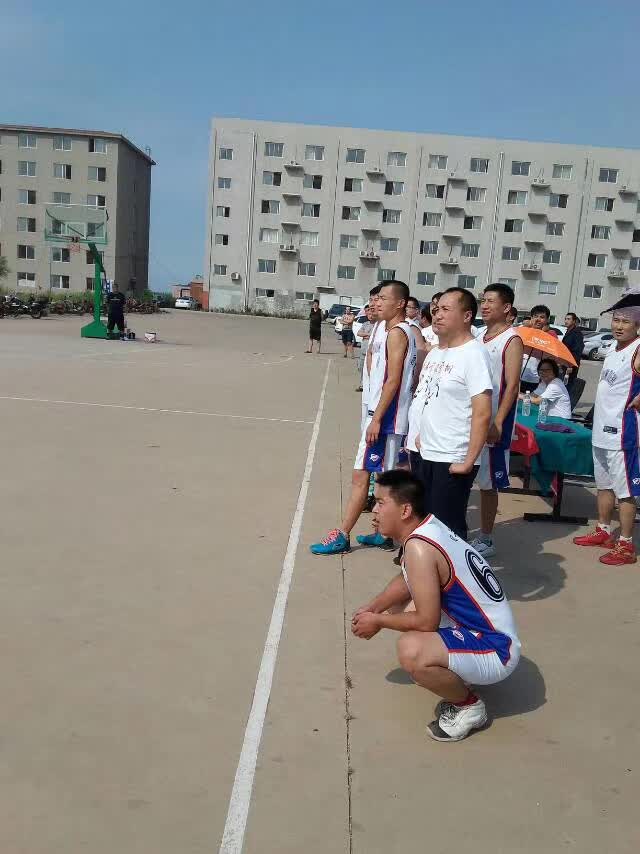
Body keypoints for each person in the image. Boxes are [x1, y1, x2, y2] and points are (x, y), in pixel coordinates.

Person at [351, 470, 520, 742]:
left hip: (497, 649)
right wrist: (374, 607)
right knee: (400, 608)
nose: (374, 510)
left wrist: (378, 622)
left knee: (412, 651)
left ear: (405, 510)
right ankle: (455, 669)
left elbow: (426, 621)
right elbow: (409, 579)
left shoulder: (419, 547)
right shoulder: (427, 529)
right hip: (485, 631)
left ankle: (469, 707)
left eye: (381, 503)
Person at [311, 280, 417, 555]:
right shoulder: (383, 327)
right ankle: (384, 534)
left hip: (386, 420)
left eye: (383, 298)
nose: (376, 302)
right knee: (381, 480)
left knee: (365, 478)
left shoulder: (399, 332)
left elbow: (393, 380)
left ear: (400, 303)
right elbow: (375, 367)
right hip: (376, 414)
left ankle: (343, 535)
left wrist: (377, 418)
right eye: (375, 298)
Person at [414, 288, 492, 540]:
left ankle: (451, 566)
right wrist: (422, 434)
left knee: (447, 530)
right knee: (424, 521)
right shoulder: (436, 352)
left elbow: (482, 412)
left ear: (467, 315)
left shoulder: (474, 354)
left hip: (452, 456)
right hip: (427, 451)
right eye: (437, 309)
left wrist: (469, 461)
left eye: (446, 310)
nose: (437, 315)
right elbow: (430, 399)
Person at [573, 293, 640, 565]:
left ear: (637, 326)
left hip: (623, 433)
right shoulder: (612, 347)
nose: (619, 326)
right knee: (603, 485)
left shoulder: (638, 348)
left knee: (625, 491)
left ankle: (626, 544)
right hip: (601, 428)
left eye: (626, 322)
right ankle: (603, 530)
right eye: (616, 320)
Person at [471, 284, 523, 559]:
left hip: (492, 424)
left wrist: (499, 422)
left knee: (488, 484)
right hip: (471, 420)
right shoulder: (479, 335)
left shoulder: (511, 340)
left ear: (507, 308)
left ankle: (486, 538)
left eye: (491, 301)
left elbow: (512, 386)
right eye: (483, 300)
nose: (485, 305)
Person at [520, 304, 551, 392]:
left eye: (542, 317)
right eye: (535, 316)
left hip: (535, 380)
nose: (538, 319)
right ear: (531, 318)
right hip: (517, 376)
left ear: (546, 320)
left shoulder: (547, 340)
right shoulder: (521, 333)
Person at [406, 296, 428, 375]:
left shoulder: (418, 325)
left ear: (416, 310)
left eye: (408, 307)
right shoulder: (404, 322)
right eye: (405, 306)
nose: (406, 309)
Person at [355, 304, 375, 392]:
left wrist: (366, 335)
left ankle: (368, 385)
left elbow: (375, 336)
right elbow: (359, 333)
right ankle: (362, 384)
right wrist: (368, 335)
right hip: (363, 350)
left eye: (371, 314)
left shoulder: (377, 325)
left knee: (370, 369)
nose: (370, 316)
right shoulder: (365, 324)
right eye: (368, 314)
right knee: (361, 367)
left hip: (372, 352)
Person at [562, 312, 584, 388]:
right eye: (565, 319)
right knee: (563, 385)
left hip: (570, 365)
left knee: (568, 386)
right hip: (565, 363)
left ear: (574, 321)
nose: (566, 321)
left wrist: (570, 365)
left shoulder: (577, 333)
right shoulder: (568, 331)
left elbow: (577, 351)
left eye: (568, 319)